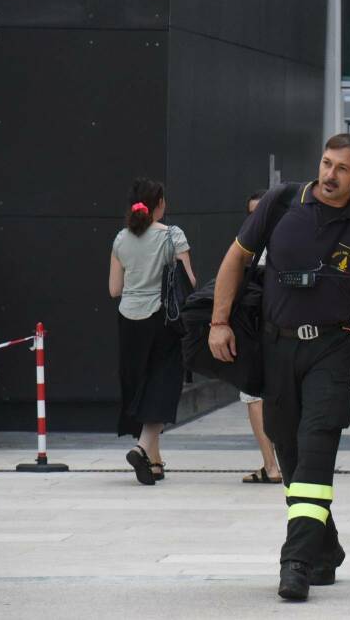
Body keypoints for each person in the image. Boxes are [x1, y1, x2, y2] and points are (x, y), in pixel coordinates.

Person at [207, 134, 350, 601]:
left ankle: (296, 562)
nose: (330, 175)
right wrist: (219, 321)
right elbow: (236, 259)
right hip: (276, 348)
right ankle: (325, 547)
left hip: (332, 350)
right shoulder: (283, 201)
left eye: (342, 169)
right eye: (326, 164)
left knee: (316, 446)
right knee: (287, 450)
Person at [108, 178, 196, 486]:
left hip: (128, 321)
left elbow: (114, 289)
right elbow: (190, 282)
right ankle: (142, 447)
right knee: (162, 385)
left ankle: (154, 462)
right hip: (162, 320)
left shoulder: (121, 239)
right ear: (158, 203)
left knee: (140, 384)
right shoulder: (172, 236)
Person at [239, 189, 282, 484]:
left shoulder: (252, 250)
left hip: (267, 332)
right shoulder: (288, 243)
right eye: (251, 214)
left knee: (254, 395)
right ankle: (276, 464)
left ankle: (272, 466)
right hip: (261, 330)